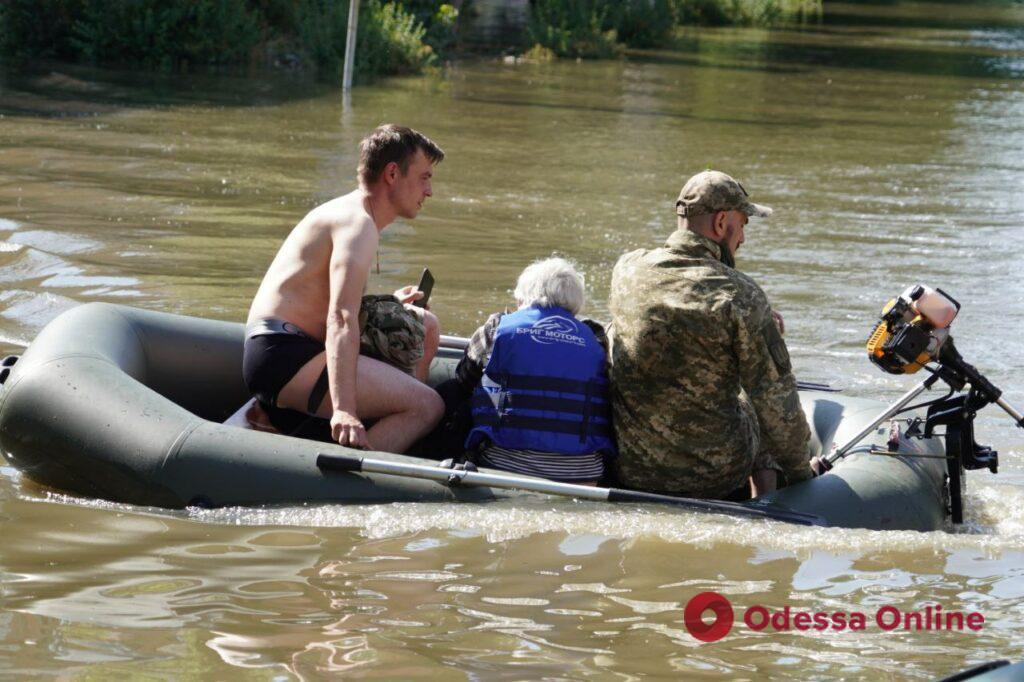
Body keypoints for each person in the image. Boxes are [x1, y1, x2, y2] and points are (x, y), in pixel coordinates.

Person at [608, 170, 825, 500]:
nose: (743, 239)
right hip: (712, 475)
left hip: (633, 467)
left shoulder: (628, 269)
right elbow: (776, 405)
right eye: (743, 226)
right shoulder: (741, 294)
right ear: (722, 222)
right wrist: (803, 475)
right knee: (759, 392)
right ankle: (767, 499)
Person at [244, 124, 445, 453]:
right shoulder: (357, 225)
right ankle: (349, 475)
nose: (429, 191)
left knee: (424, 326)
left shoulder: (353, 214)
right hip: (283, 355)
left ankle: (388, 436)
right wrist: (344, 411)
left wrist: (392, 302)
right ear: (392, 173)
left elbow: (326, 301)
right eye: (424, 177)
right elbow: (339, 318)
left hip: (289, 346)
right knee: (427, 406)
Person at [453, 258, 616, 484]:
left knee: (459, 403)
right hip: (583, 473)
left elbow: (463, 379)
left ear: (523, 297)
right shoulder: (596, 337)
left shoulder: (497, 327)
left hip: (505, 464)